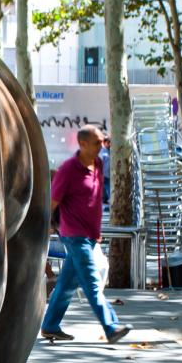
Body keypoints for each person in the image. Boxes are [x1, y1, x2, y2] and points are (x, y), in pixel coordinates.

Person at [41, 124, 133, 343]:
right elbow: (53, 201)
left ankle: (50, 325)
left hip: (90, 235)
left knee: (66, 284)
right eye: (96, 143)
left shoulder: (99, 164)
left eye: (102, 142)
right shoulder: (68, 170)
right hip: (74, 235)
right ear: (82, 144)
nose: (101, 146)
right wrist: (46, 226)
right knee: (92, 282)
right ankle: (111, 327)